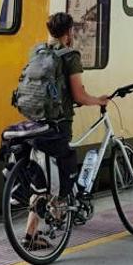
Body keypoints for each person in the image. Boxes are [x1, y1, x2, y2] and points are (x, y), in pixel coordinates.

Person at [24, 13, 108, 247]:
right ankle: (54, 221)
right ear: (68, 32)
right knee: (59, 176)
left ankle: (36, 229)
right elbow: (79, 94)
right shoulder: (70, 55)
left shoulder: (37, 52)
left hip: (36, 122)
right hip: (59, 124)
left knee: (42, 175)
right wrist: (98, 100)